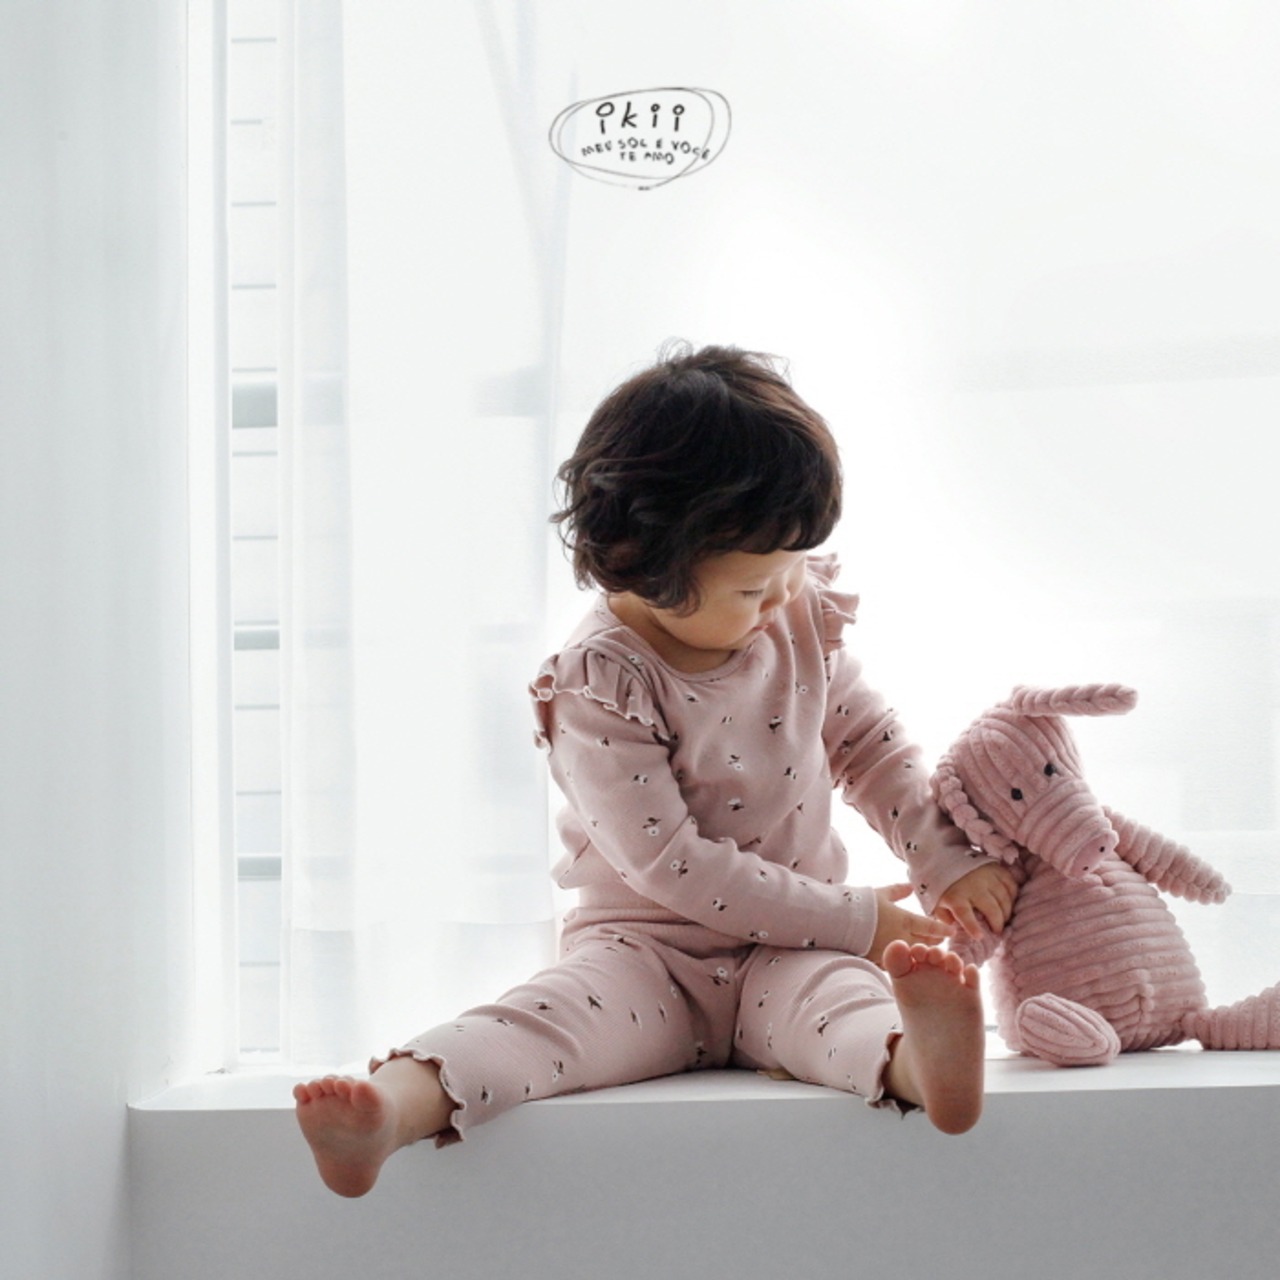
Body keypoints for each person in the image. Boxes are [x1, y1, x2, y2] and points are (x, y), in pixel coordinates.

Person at [294, 343, 1018, 1197]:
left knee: (845, 1011)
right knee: (537, 1027)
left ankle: (922, 1067)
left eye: (790, 570)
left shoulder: (796, 615)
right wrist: (859, 920)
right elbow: (673, 863)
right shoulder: (601, 681)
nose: (783, 598)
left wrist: (946, 862)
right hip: (646, 956)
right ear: (651, 568)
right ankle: (388, 1111)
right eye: (753, 588)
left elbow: (871, 746)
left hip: (795, 951)